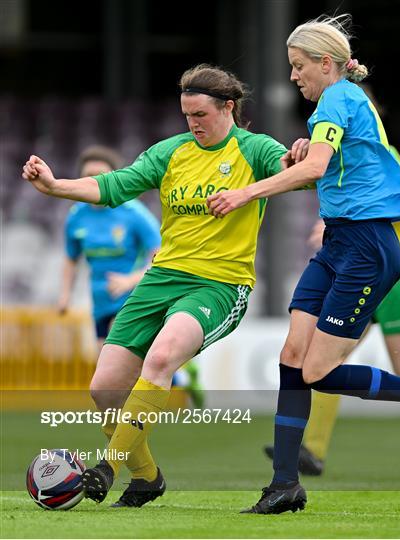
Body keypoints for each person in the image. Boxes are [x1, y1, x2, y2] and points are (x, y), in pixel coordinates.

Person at [207, 14, 400, 514]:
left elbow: (317, 168)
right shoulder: (337, 104)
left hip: (367, 247)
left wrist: (246, 192)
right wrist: (299, 158)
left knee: (317, 371)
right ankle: (284, 485)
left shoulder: (337, 99)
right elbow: (323, 168)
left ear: (326, 63)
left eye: (299, 66)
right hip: (340, 244)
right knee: (291, 355)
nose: (294, 75)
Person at [22, 64, 293, 507]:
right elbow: (114, 184)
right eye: (187, 115)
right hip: (160, 279)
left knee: (163, 356)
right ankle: (147, 477)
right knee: (105, 389)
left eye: (201, 114)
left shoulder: (255, 149)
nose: (193, 124)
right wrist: (54, 186)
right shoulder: (171, 152)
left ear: (228, 107)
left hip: (219, 284)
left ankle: (106, 467)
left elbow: (288, 170)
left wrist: (296, 159)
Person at [264, 96, 400, 477]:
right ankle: (310, 451)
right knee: (325, 360)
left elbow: (387, 208)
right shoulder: (342, 157)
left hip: (397, 274)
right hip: (357, 266)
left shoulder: (385, 158)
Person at [58, 145, 161, 351]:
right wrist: (65, 295)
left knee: (116, 358)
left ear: (114, 178)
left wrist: (131, 280)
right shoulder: (76, 216)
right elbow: (71, 258)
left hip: (133, 298)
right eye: (89, 175)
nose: (95, 181)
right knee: (108, 369)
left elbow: (162, 254)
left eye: (101, 176)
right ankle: (180, 377)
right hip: (100, 301)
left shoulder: (134, 213)